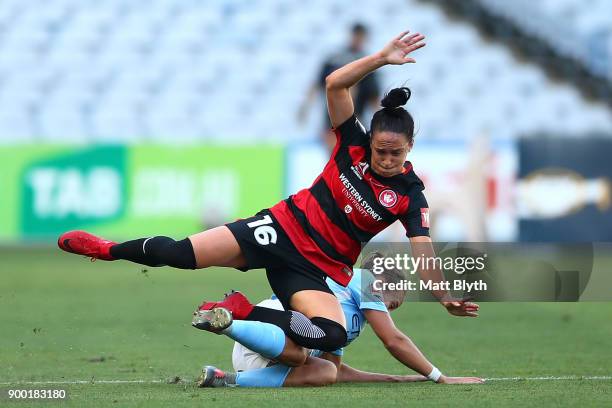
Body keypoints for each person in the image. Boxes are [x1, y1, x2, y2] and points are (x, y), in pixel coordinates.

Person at [57, 30, 477, 357]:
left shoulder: (411, 194)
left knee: (331, 337)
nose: (385, 158)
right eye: (380, 150)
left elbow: (422, 248)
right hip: (278, 229)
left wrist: (442, 295)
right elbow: (334, 85)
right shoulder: (352, 142)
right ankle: (107, 249)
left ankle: (242, 309)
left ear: (410, 148)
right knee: (180, 255)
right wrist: (380, 60)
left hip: (317, 268)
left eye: (395, 153)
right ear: (370, 143)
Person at [192, 255, 483, 387]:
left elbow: (337, 371)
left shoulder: (348, 316)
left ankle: (227, 378)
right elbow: (393, 340)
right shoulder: (365, 280)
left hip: (256, 362)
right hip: (272, 330)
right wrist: (438, 377)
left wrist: (403, 378)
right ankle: (232, 322)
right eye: (396, 299)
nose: (392, 309)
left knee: (326, 373)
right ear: (382, 281)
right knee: (298, 354)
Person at [298, 23, 381, 151]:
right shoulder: (334, 60)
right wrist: (306, 106)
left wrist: (381, 122)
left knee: (353, 156)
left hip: (356, 118)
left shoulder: (368, 64)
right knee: (334, 157)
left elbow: (374, 96)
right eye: (356, 36)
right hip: (332, 120)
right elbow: (317, 84)